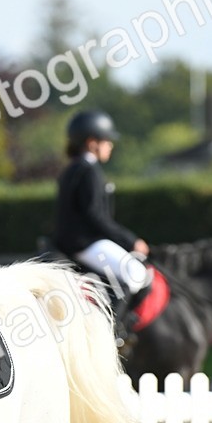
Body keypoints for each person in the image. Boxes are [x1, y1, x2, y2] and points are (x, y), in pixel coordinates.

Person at [54, 110, 153, 337]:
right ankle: (111, 334)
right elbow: (96, 217)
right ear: (91, 143)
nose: (110, 146)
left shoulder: (74, 168)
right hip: (84, 243)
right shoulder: (89, 171)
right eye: (106, 141)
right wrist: (131, 241)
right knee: (136, 273)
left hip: (74, 241)